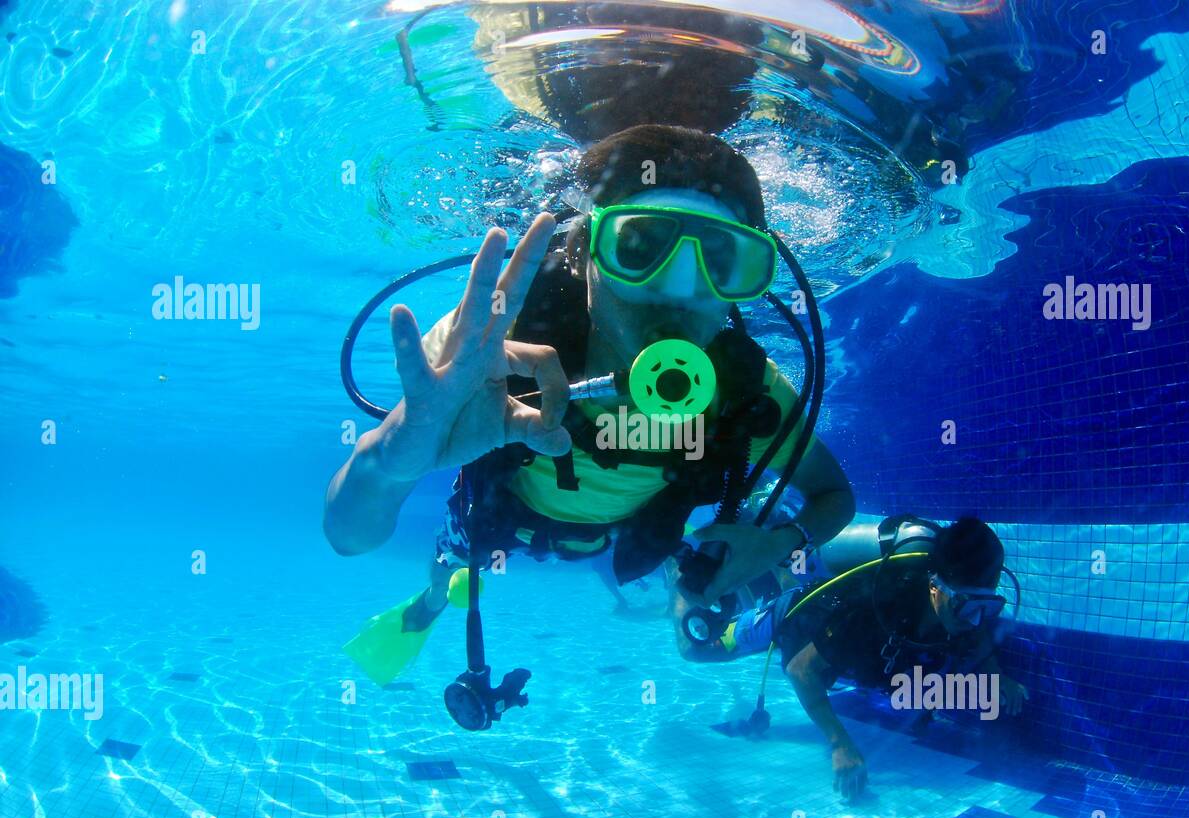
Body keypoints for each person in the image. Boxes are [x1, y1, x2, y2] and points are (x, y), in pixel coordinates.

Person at [324, 124, 854, 685]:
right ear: (582, 252)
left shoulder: (748, 384)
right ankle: (429, 603)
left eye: (720, 262)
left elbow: (834, 495)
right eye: (639, 247)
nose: (676, 292)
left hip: (631, 529)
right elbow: (348, 537)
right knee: (448, 566)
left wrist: (780, 541)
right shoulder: (483, 354)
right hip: (507, 512)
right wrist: (391, 459)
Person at [701, 515, 1029, 800]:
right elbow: (801, 671)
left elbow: (977, 629)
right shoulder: (876, 608)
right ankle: (684, 573)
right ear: (935, 587)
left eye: (986, 608)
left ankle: (779, 556)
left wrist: (996, 673)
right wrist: (840, 744)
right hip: (795, 619)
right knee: (699, 649)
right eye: (966, 607)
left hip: (843, 639)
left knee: (795, 582)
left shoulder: (960, 607)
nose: (974, 619)